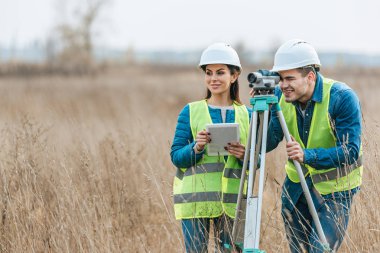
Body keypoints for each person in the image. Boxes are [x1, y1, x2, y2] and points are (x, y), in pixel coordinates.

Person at [258, 39, 363, 253]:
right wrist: (259, 112)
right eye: (280, 79)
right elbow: (268, 141)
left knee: (320, 250)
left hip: (336, 192)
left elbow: (350, 151)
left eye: (289, 78)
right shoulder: (280, 96)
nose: (283, 85)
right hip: (296, 189)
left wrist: (308, 156)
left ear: (310, 76)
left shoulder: (341, 98)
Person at [171, 43, 251, 253]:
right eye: (209, 73)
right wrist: (196, 148)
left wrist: (244, 155)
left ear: (234, 76)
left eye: (220, 72)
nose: (213, 78)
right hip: (196, 201)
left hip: (232, 202)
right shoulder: (190, 111)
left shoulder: (249, 114)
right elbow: (176, 157)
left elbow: (257, 160)